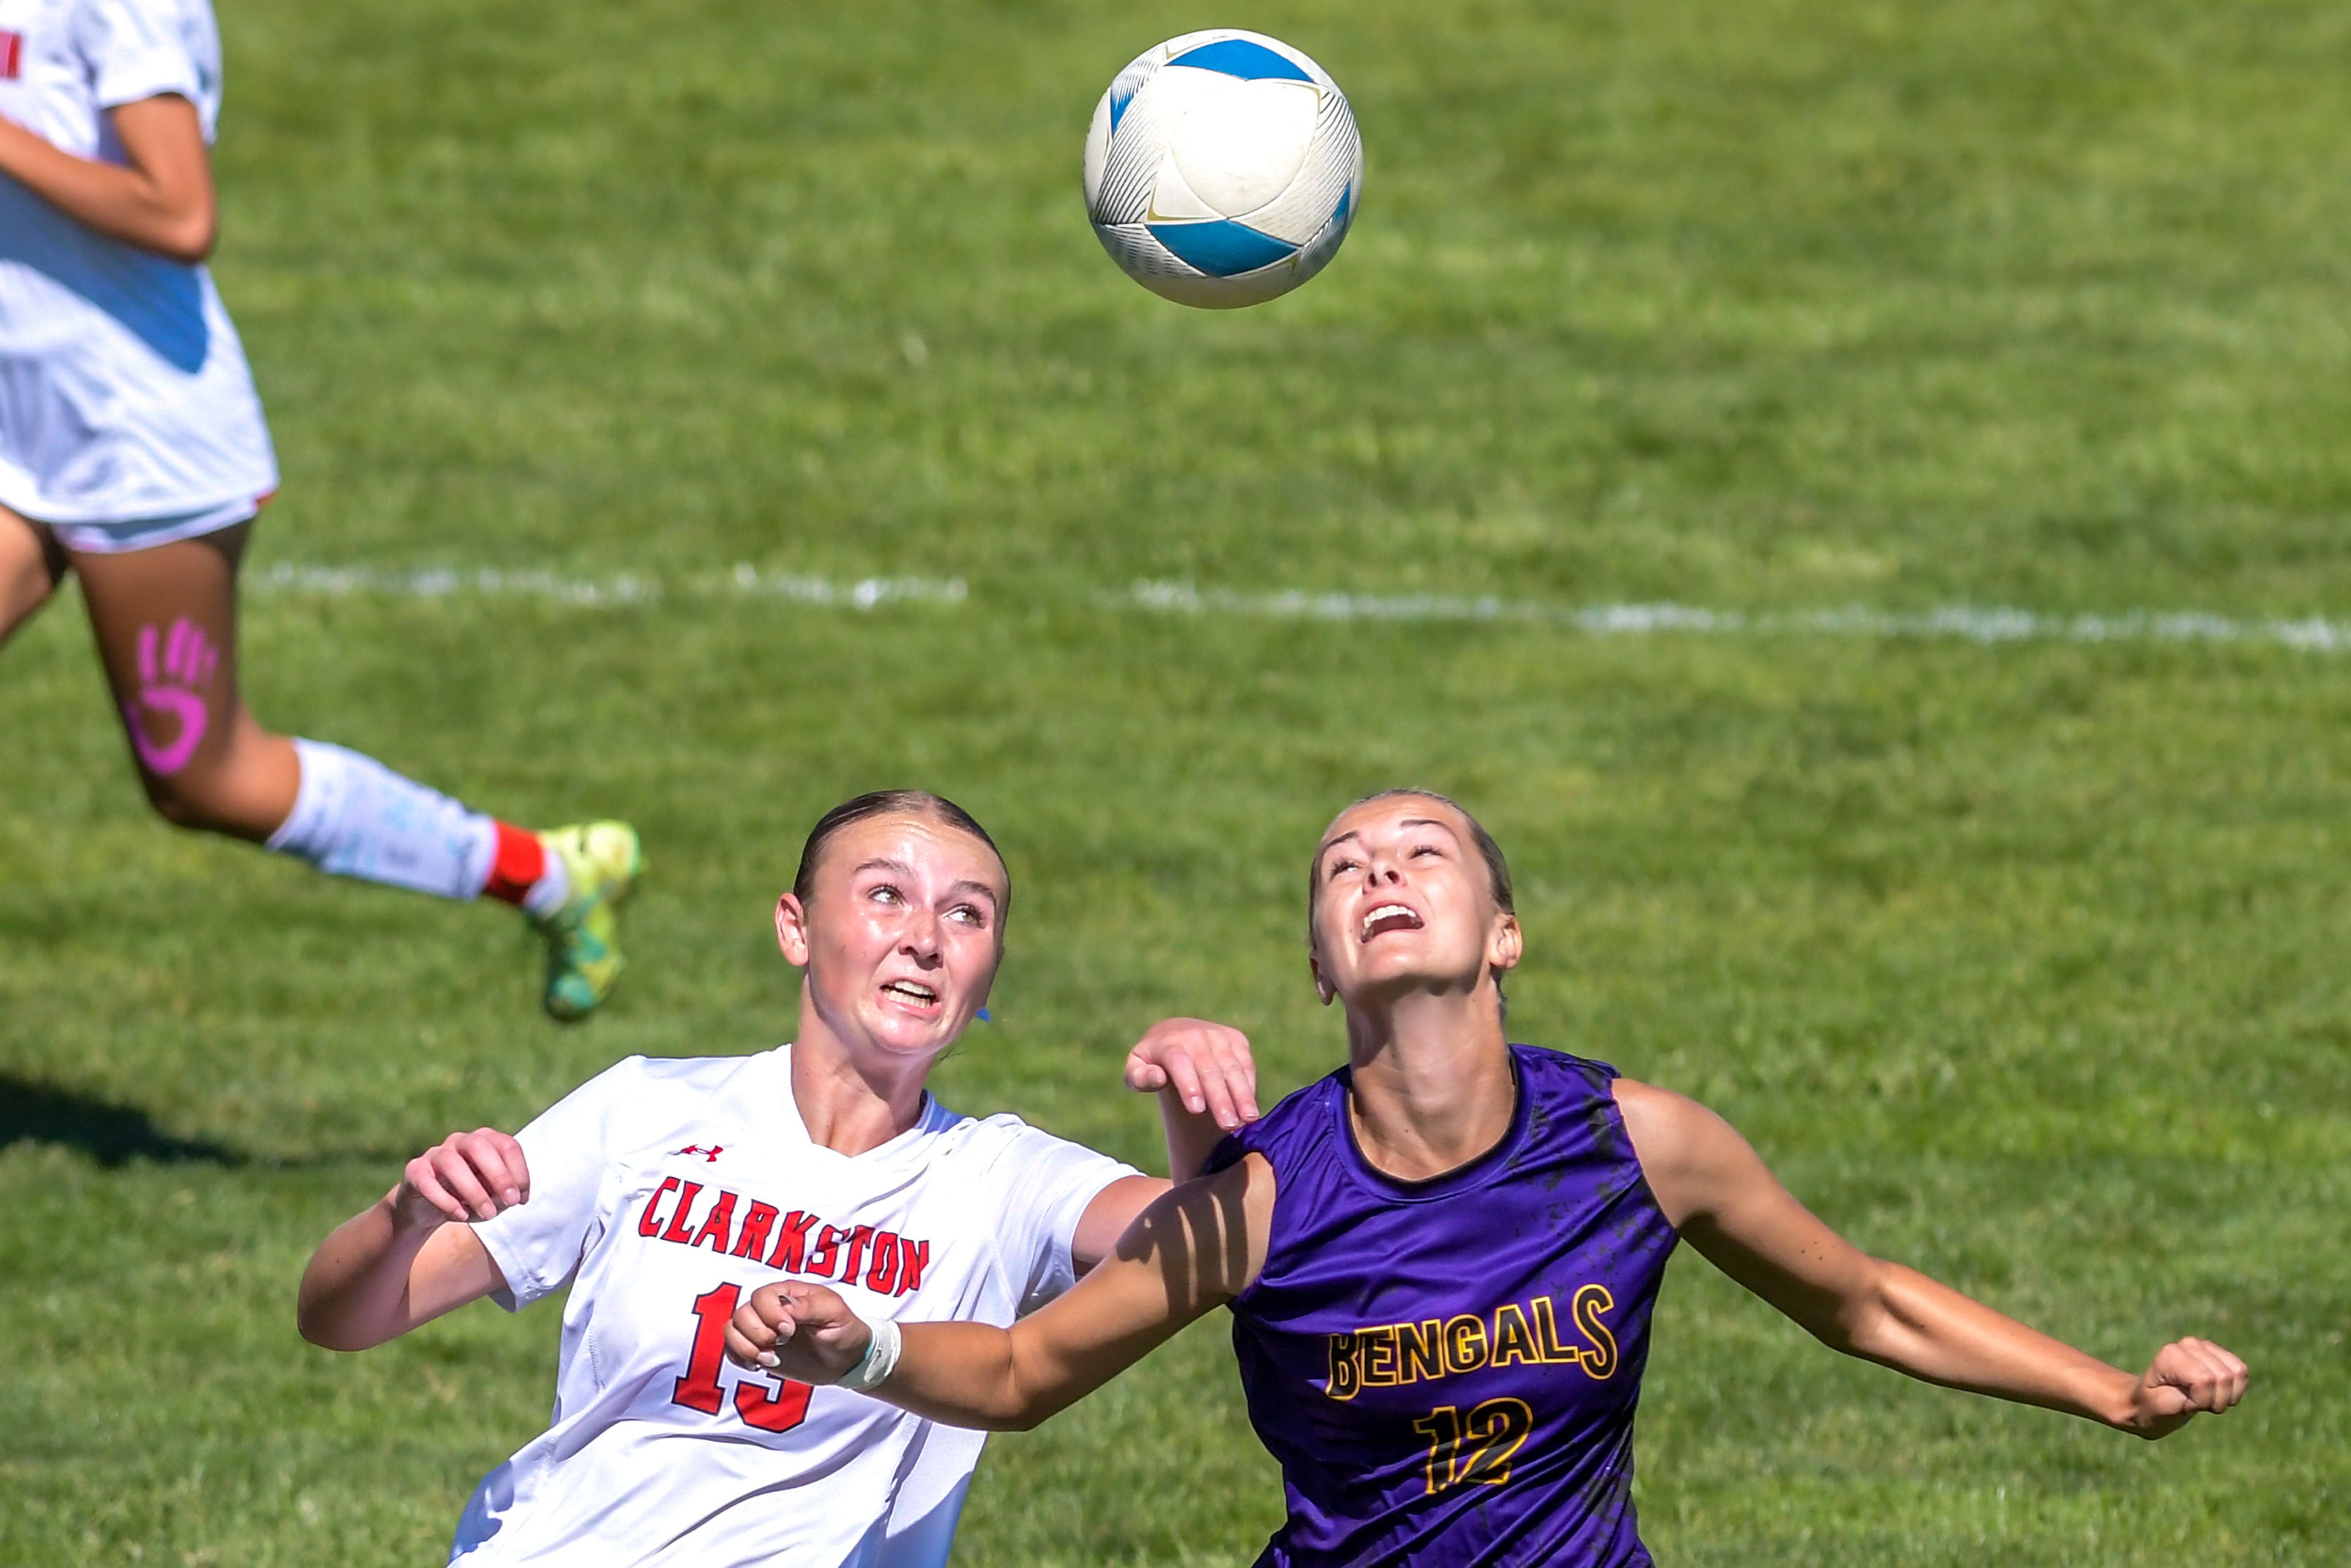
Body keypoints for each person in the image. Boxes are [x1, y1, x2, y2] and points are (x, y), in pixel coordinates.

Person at [724, 789, 2251, 1566]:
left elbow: (1866, 1306)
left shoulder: (1639, 1146)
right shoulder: (1271, 1196)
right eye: (1344, 866)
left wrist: (2116, 1396)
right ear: (1320, 970)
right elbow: (1018, 1371)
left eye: (1422, 853)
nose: (1381, 872)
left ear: (1505, 935)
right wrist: (850, 1340)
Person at [297, 789, 1262, 1567]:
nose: (925, 935)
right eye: (886, 894)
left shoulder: (1000, 1177)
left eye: (967, 914)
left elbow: (1223, 1244)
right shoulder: (644, 1110)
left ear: (988, 975)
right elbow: (340, 1317)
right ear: (795, 928)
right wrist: (406, 1214)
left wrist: (1192, 1092)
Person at [0, 0, 636, 1019]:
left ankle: (549, 874)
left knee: (203, 779)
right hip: (18, 428)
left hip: (137, 444)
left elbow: (180, 213)